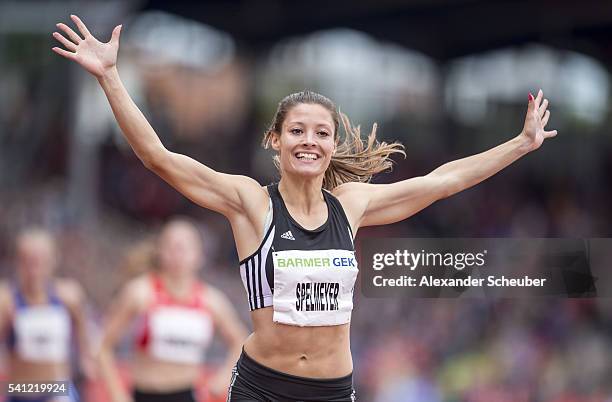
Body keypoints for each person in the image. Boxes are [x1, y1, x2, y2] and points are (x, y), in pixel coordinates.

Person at [52, 15, 558, 401]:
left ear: (333, 145)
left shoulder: (351, 205)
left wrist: (518, 144)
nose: (308, 141)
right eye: (297, 131)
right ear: (275, 139)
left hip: (331, 389)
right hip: (262, 387)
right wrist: (110, 77)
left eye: (321, 133)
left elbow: (440, 183)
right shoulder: (251, 203)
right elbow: (159, 158)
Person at [97, 219, 247, 402]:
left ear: (199, 256)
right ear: (160, 252)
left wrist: (225, 377)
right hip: (145, 394)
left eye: (184, 248)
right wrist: (117, 393)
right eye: (171, 247)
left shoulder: (211, 301)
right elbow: (103, 346)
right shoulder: (140, 293)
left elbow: (241, 342)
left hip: (188, 395)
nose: (178, 255)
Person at [0, 228, 94, 402]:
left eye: (40, 261)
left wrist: (86, 361)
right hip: (20, 390)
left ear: (52, 261)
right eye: (28, 261)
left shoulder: (69, 296)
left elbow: (84, 334)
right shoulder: (7, 300)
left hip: (57, 389)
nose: (34, 269)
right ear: (18, 262)